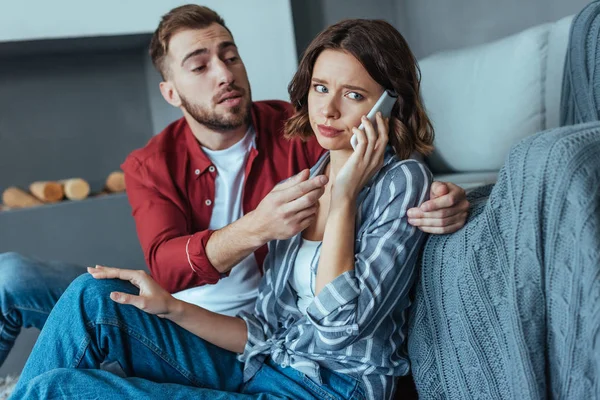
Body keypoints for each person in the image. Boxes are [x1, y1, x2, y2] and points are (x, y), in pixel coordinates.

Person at [0, 4, 468, 370]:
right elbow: (164, 266)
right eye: (199, 66)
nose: (224, 74)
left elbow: (387, 157)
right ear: (171, 92)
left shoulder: (302, 127)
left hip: (259, 328)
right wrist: (255, 228)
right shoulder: (150, 163)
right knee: (12, 277)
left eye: (229, 55)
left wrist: (451, 196)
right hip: (184, 315)